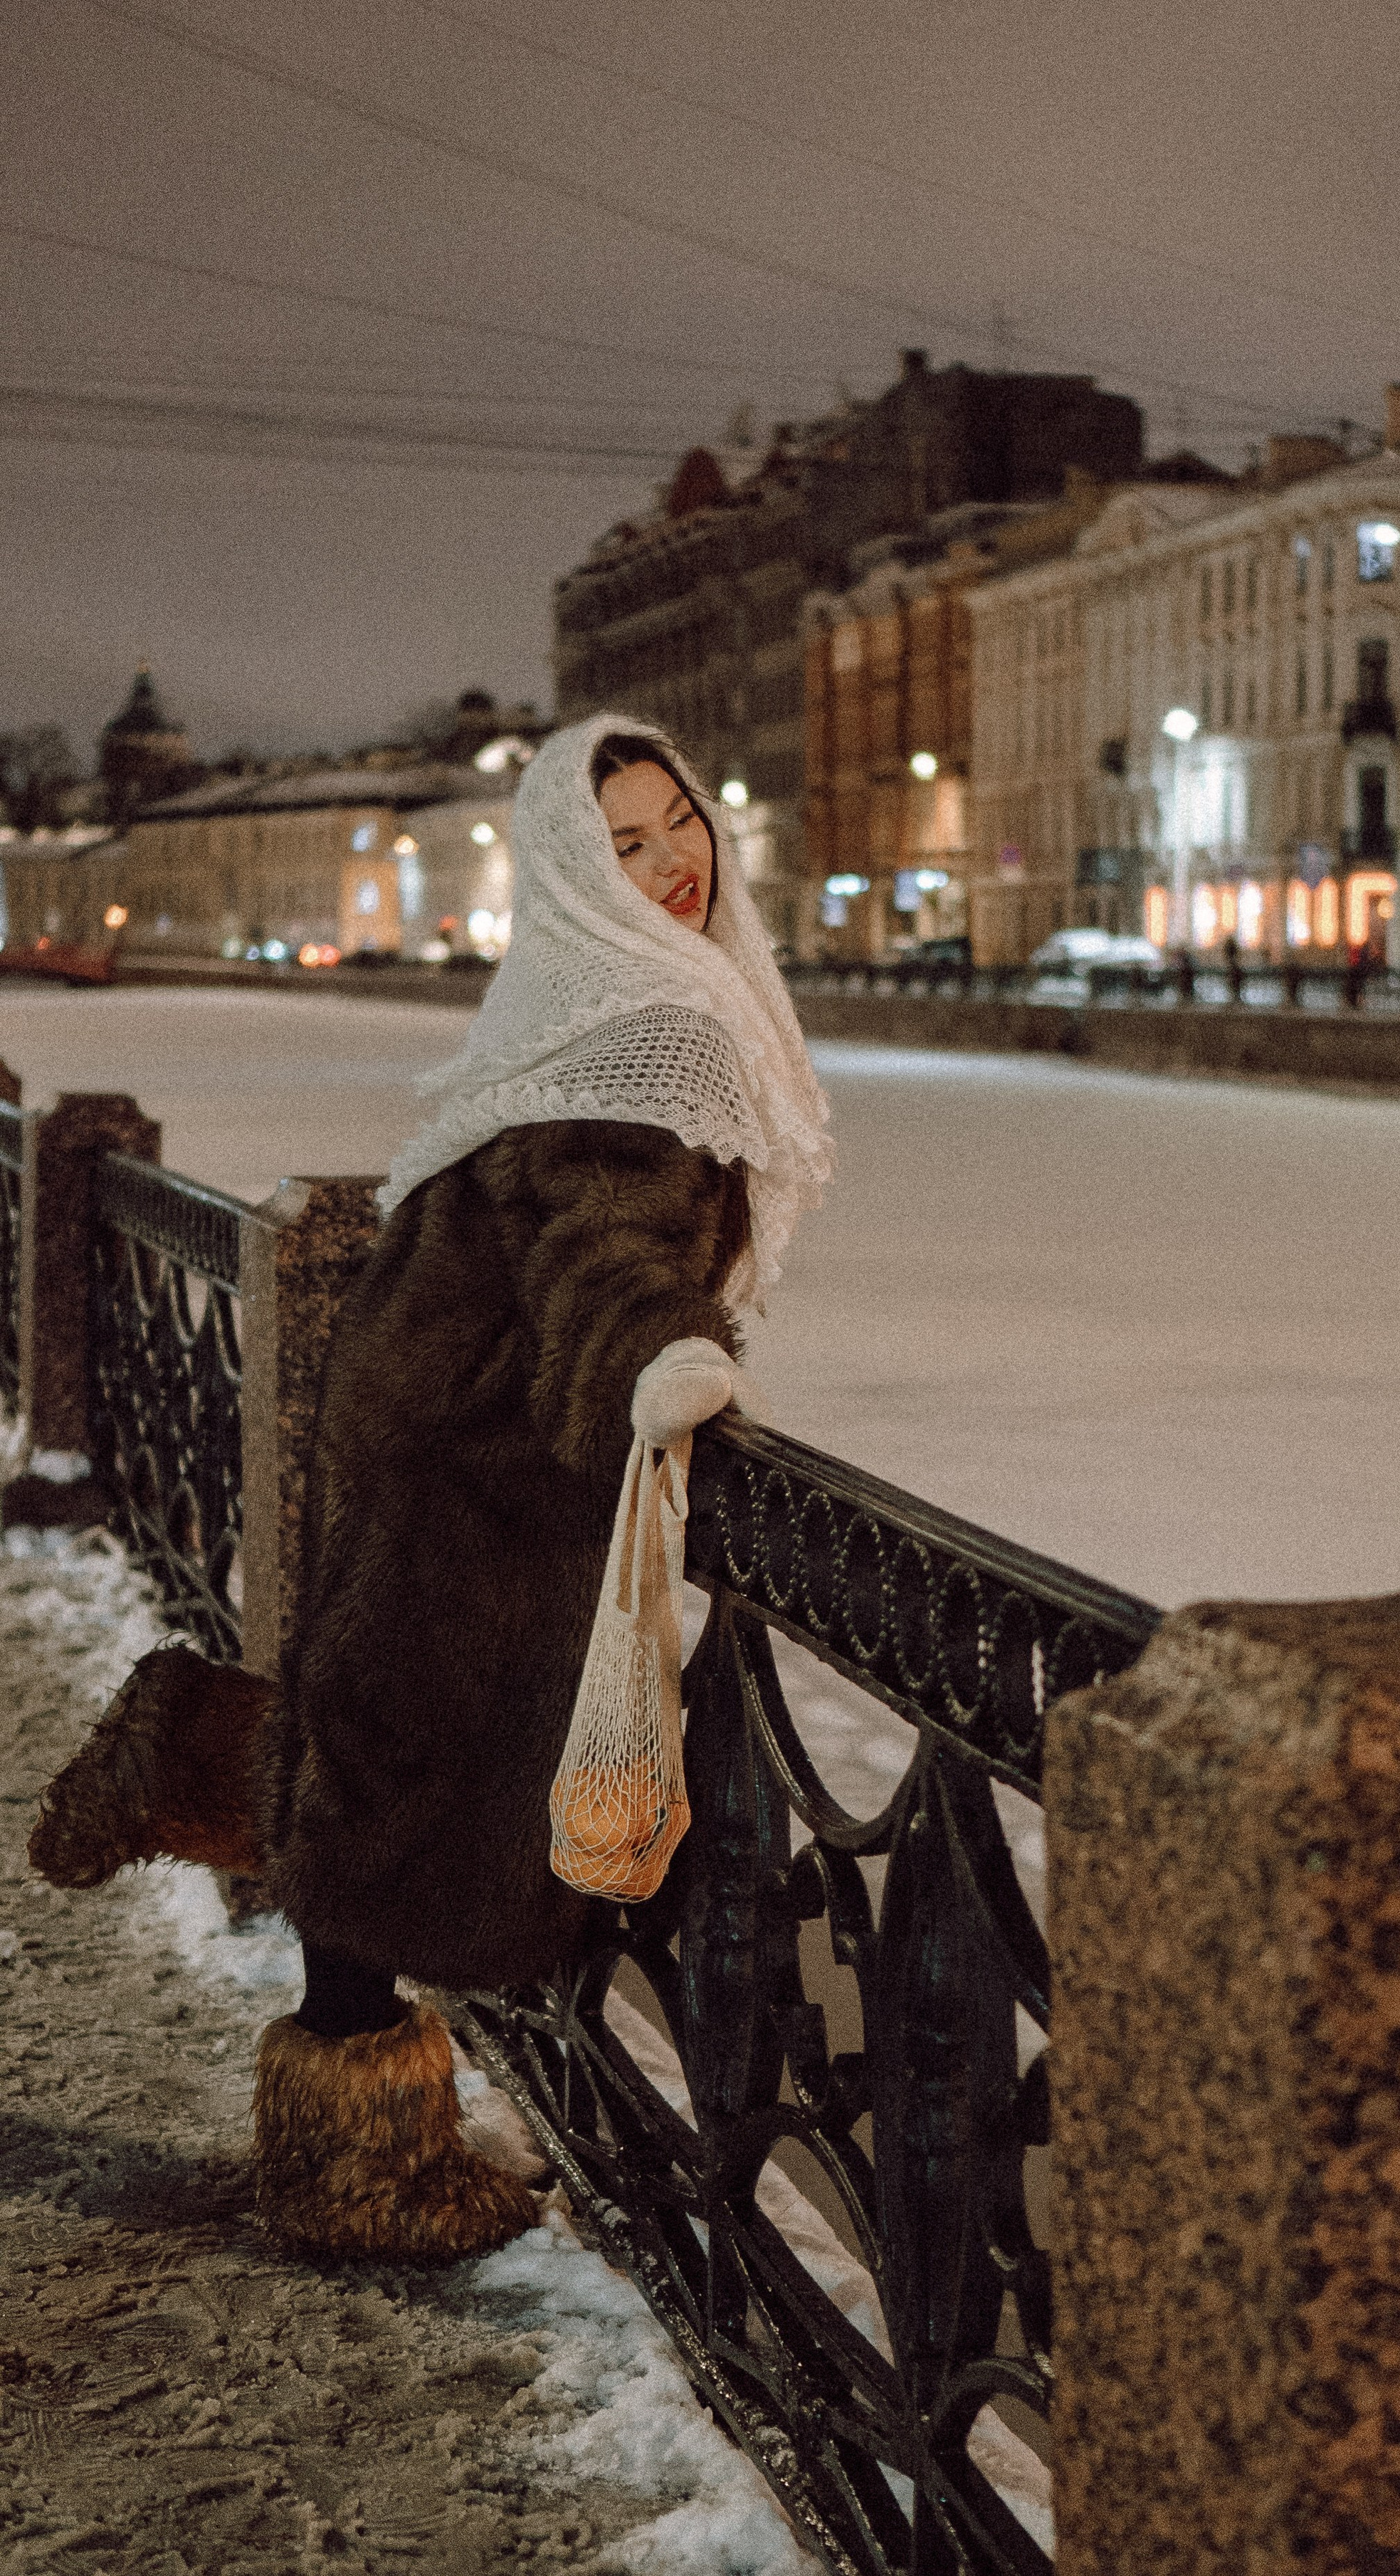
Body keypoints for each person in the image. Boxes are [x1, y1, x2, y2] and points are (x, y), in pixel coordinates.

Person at [31, 714, 833, 2261]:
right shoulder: (647, 1024)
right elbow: (592, 1229)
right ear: (567, 867)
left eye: (679, 825)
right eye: (625, 845)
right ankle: (360, 2168)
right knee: (405, 1774)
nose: (671, 864)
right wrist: (659, 1352)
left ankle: (185, 1751)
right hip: (487, 1448)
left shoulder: (603, 981)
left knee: (389, 1743)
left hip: (449, 1405)